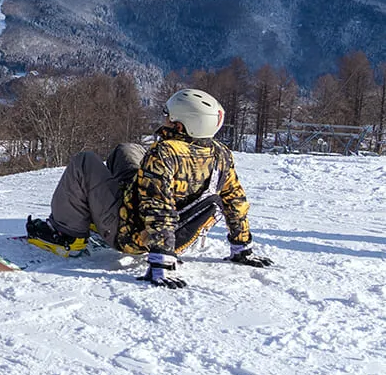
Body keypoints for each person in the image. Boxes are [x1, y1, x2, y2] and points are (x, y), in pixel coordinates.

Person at [27, 87, 273, 288]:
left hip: (132, 234)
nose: (164, 119)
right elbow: (235, 200)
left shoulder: (165, 153)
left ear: (181, 125)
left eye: (169, 116)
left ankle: (65, 235)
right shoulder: (221, 154)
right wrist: (242, 247)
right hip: (168, 233)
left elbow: (159, 207)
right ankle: (91, 211)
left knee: (84, 161)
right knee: (125, 150)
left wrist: (161, 262)